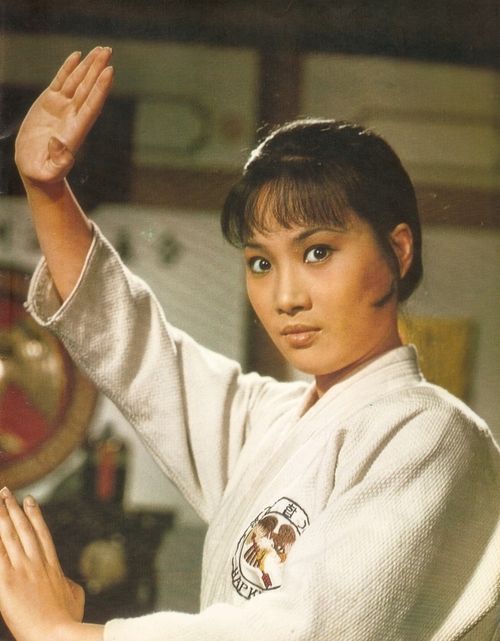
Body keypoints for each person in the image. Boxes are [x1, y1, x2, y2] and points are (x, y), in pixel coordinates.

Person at [0, 46, 498, 641]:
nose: (285, 296)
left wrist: (62, 634)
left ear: (399, 250)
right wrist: (48, 188)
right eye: (261, 263)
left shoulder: (432, 435)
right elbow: (138, 350)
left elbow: (306, 631)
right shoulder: (272, 420)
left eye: (318, 252)